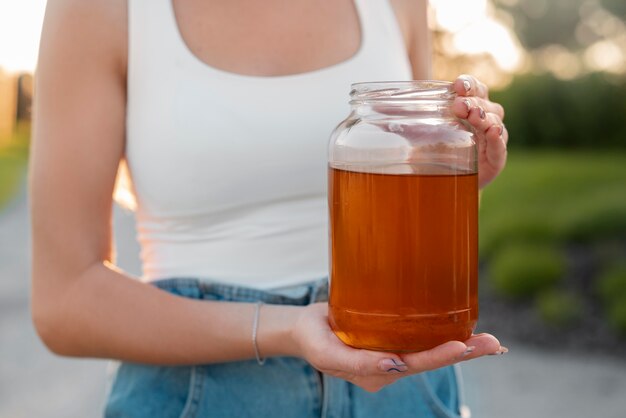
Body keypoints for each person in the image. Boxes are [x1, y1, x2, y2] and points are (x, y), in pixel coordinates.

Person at [30, 0, 508, 416]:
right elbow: (64, 304)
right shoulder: (97, 8)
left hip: (407, 390)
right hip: (199, 397)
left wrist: (458, 179)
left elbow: (407, 204)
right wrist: (286, 330)